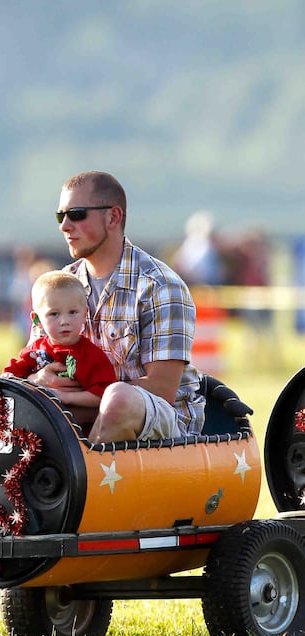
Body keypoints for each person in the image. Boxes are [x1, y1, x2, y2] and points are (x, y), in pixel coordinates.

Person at [28, 171, 204, 443]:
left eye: (76, 214)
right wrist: (38, 379)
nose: (64, 226)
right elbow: (35, 358)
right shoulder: (60, 286)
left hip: (166, 433)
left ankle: (82, 478)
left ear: (113, 217)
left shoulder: (160, 285)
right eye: (59, 216)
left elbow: (162, 389)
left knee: (118, 398)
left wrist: (72, 397)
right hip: (78, 414)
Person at [2, 271, 116, 410]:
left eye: (72, 312)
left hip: (78, 427)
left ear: (85, 314)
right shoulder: (34, 352)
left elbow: (105, 395)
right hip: (40, 423)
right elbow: (8, 379)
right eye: (54, 314)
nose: (64, 321)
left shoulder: (92, 355)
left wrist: (65, 396)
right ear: (36, 320)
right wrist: (31, 381)